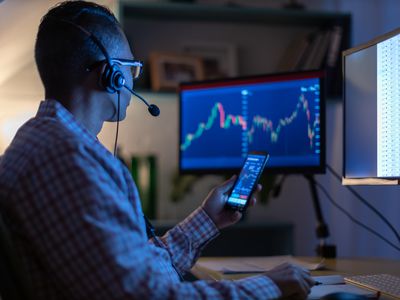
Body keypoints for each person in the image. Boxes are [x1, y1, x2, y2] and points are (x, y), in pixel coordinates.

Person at [0, 1, 315, 299]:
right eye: (132, 68)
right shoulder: (70, 163)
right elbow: (146, 296)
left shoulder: (41, 143)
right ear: (110, 74)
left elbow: (134, 272)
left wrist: (209, 218)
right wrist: (268, 287)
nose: (132, 80)